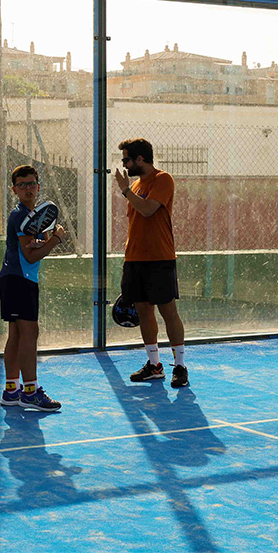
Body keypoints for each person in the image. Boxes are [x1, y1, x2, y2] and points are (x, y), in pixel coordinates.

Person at [113, 138, 189, 388]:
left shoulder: (163, 180)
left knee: (168, 312)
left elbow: (147, 210)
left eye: (127, 159)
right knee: (144, 311)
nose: (124, 164)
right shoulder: (136, 184)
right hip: (134, 260)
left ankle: (180, 366)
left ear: (139, 159)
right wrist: (129, 189)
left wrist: (125, 190)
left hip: (160, 258)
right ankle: (154, 365)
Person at [0, 165, 67, 411]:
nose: (28, 188)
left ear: (39, 186)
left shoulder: (27, 215)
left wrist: (46, 241)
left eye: (32, 183)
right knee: (29, 334)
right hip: (18, 279)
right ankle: (29, 391)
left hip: (17, 279)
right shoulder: (20, 216)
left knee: (17, 336)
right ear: (14, 189)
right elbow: (30, 257)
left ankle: (11, 390)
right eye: (22, 185)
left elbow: (30, 249)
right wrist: (57, 240)